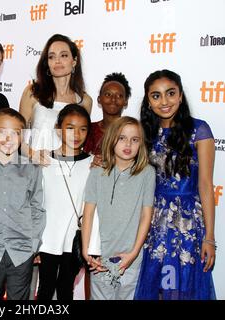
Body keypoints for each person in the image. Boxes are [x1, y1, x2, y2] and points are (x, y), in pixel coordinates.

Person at [135, 69, 216, 300]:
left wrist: (209, 237)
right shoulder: (143, 134)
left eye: (170, 93)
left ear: (180, 96)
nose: (164, 101)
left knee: (186, 287)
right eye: (156, 95)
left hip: (188, 223)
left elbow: (206, 186)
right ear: (148, 102)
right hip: (153, 221)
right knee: (157, 288)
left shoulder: (199, 130)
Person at [0, 108, 46, 300]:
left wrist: (33, 245)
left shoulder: (31, 169)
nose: (8, 138)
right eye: (2, 132)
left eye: (15, 133)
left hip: (22, 252)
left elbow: (37, 208)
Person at [81, 116, 155, 300]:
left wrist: (134, 252)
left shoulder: (147, 173)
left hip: (131, 258)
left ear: (141, 144)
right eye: (122, 138)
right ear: (111, 139)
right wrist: (86, 249)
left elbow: (146, 215)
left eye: (134, 139)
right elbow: (88, 213)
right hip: (101, 256)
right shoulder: (97, 172)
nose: (128, 143)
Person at [37, 104, 92, 300]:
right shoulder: (43, 160)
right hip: (47, 239)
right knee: (45, 288)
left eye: (83, 128)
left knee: (65, 289)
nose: (76, 134)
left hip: (75, 240)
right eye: (70, 127)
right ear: (58, 129)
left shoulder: (93, 163)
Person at [19, 33, 92, 165]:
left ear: (74, 61)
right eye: (52, 57)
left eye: (63, 55)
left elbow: (80, 142)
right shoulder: (32, 92)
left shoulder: (84, 101)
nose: (57, 61)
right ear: (47, 63)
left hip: (68, 170)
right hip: (35, 168)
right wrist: (32, 155)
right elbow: (17, 137)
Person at [84, 72, 131, 158]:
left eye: (119, 96)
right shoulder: (88, 130)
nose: (113, 99)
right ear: (99, 99)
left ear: (125, 101)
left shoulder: (132, 132)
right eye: (108, 94)